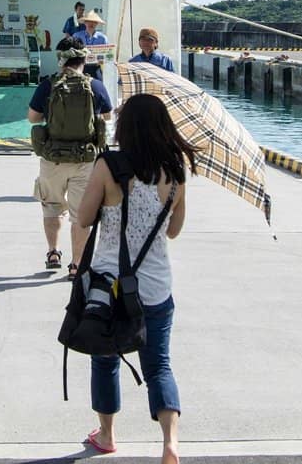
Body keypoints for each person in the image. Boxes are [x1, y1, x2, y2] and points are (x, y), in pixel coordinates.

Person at [77, 93, 198, 464]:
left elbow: (83, 218)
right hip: (157, 286)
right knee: (159, 363)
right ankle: (169, 443)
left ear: (125, 127)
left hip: (110, 286)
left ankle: (108, 435)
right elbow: (174, 231)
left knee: (105, 359)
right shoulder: (175, 170)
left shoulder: (108, 165)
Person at [28, 36, 113, 280]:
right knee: (80, 214)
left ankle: (53, 253)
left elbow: (33, 118)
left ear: (60, 60)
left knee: (52, 206)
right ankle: (76, 265)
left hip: (53, 159)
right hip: (85, 160)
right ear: (84, 58)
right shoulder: (94, 85)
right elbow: (106, 117)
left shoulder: (48, 85)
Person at [76, 10, 109, 81]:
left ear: (97, 23)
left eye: (94, 22)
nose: (91, 24)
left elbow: (107, 56)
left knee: (97, 88)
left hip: (96, 69)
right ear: (85, 22)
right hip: (80, 68)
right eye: (89, 21)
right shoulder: (76, 36)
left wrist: (102, 60)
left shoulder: (103, 38)